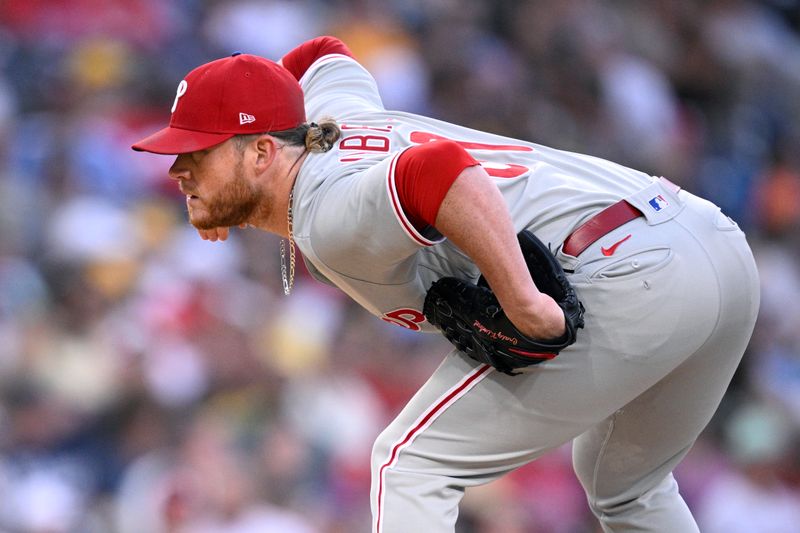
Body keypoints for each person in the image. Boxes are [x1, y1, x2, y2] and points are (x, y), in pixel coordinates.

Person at [132, 36, 760, 533]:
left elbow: (438, 171)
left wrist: (522, 300)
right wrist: (241, 132)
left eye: (201, 151)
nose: (179, 168)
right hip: (715, 247)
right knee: (626, 485)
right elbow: (325, 53)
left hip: (632, 272)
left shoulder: (327, 213)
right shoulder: (330, 119)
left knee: (408, 464)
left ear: (263, 153)